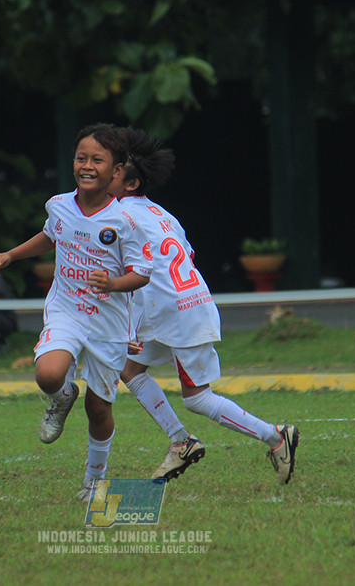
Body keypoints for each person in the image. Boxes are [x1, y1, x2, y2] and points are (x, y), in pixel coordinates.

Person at [112, 127, 299, 484]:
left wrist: (128, 322)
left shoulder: (119, 216)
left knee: (197, 399)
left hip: (176, 313)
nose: (103, 175)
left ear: (131, 183)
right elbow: (186, 255)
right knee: (129, 369)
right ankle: (180, 441)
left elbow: (135, 273)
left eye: (114, 172)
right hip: (180, 305)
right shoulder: (160, 213)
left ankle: (276, 437)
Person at [0, 123, 151, 499]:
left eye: (97, 160)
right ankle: (62, 396)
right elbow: (51, 235)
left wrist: (113, 284)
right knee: (48, 374)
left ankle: (95, 479)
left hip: (108, 323)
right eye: (81, 158)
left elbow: (141, 274)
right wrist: (11, 255)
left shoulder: (126, 221)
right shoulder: (58, 205)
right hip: (67, 311)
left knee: (99, 407)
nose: (87, 166)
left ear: (117, 170)